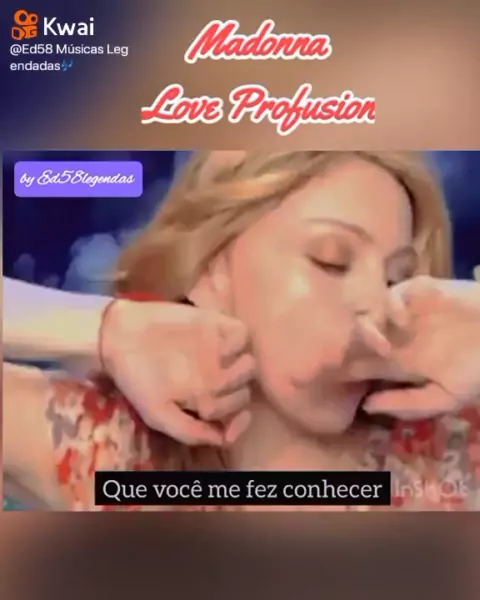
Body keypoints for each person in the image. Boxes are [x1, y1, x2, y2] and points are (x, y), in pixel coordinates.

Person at [4, 150, 480, 511]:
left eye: (396, 278)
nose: (380, 306)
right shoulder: (109, 446)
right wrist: (107, 329)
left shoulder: (453, 453)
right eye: (331, 260)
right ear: (210, 272)